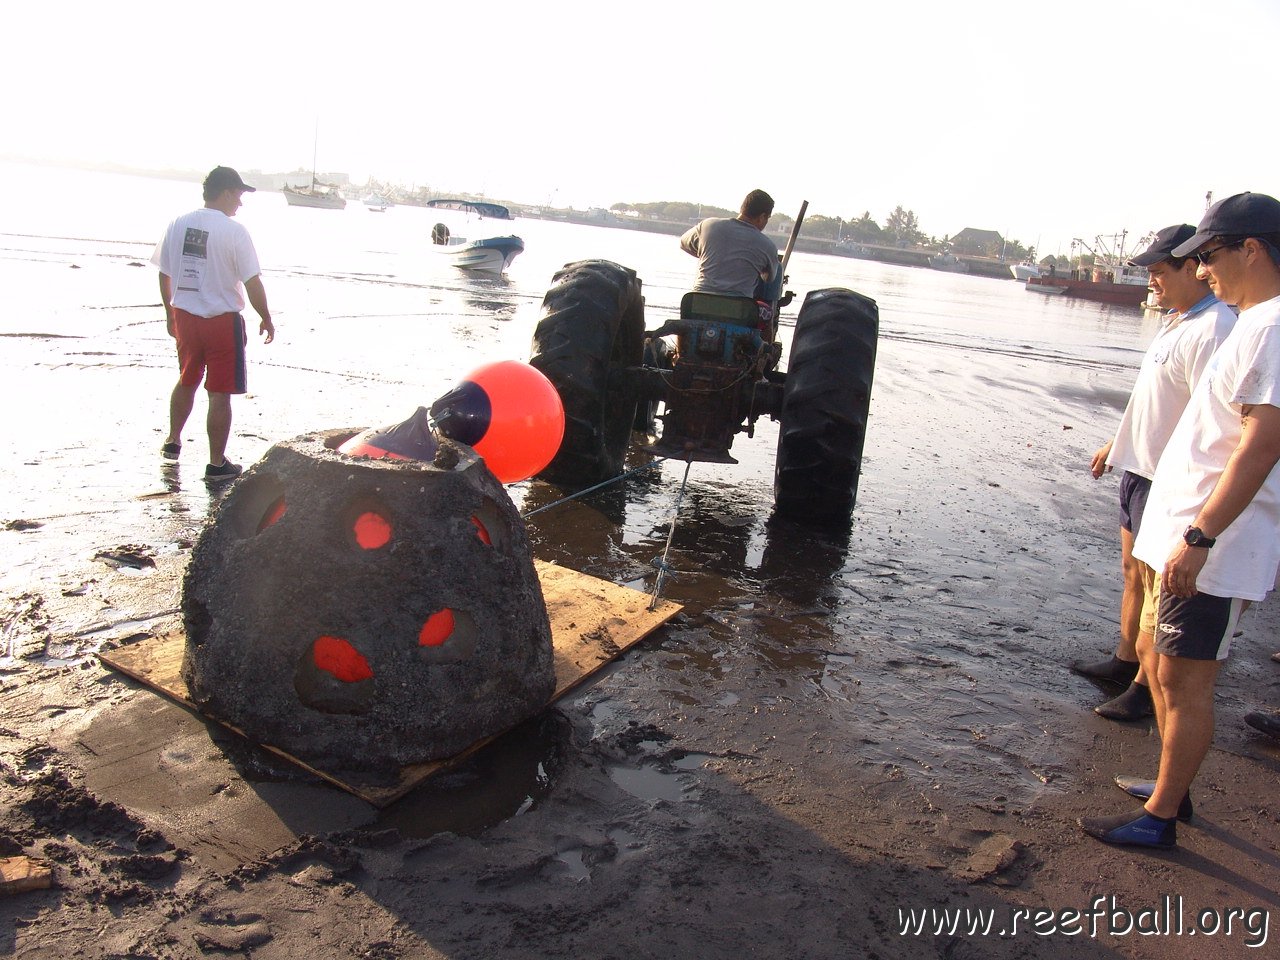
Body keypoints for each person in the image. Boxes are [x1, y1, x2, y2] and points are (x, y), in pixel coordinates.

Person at [1081, 192, 1280, 848]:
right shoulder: (1252, 320)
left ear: (1251, 249)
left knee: (1187, 678)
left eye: (1210, 255)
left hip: (1217, 545)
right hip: (1189, 532)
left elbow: (1260, 445)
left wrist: (1201, 535)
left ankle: (1163, 819)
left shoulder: (1273, 326)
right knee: (1164, 668)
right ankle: (1172, 788)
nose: (1204, 269)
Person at [1076, 225, 1237, 721]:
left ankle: (1146, 690)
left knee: (1155, 589)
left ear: (1193, 268)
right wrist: (1117, 444)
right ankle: (1126, 662)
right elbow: (1157, 402)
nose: (1151, 281)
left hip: (1166, 480)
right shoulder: (1178, 321)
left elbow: (1214, 421)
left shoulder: (1215, 330)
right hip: (1138, 468)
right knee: (1132, 574)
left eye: (1159, 271)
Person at [153, 166, 275, 482]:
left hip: (186, 318)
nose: (240, 203)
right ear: (225, 193)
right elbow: (252, 281)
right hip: (222, 321)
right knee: (219, 392)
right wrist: (266, 316)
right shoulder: (234, 231)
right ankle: (217, 463)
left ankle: (172, 442)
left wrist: (170, 314)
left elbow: (164, 272)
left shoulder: (178, 223)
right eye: (238, 195)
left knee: (187, 378)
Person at [680, 189, 779, 300]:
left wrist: (709, 254)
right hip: (738, 311)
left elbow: (683, 243)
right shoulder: (767, 245)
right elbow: (769, 278)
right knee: (778, 268)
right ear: (762, 217)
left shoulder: (709, 225)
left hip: (697, 303)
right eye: (767, 219)